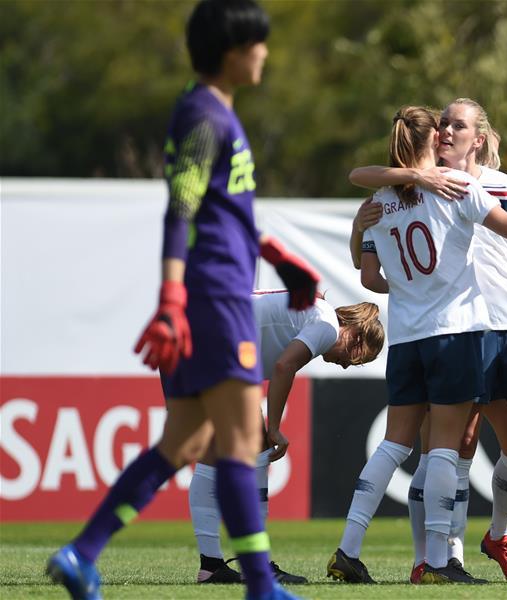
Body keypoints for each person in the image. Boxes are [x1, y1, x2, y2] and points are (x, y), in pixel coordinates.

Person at [46, 3, 318, 599]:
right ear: (231, 51)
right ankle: (260, 586)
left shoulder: (218, 113)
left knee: (186, 444)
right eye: (258, 43)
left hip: (217, 292)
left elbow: (225, 209)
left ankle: (80, 551)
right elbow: (181, 210)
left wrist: (277, 255)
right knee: (242, 444)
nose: (266, 53)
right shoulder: (203, 115)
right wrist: (172, 299)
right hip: (215, 300)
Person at [327, 105, 507, 584]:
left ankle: (348, 548)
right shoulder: (455, 186)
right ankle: (442, 562)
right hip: (454, 333)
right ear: (433, 144)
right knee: (448, 449)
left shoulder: (379, 201)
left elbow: (369, 274)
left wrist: (365, 234)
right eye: (441, 128)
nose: (447, 134)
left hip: (407, 339)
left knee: (395, 447)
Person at [189, 292, 384, 584]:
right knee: (258, 448)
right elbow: (284, 367)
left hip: (198, 334)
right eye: (356, 358)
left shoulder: (317, 316)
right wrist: (274, 427)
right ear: (356, 336)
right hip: (216, 342)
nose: (345, 365)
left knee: (212, 458)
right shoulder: (327, 326)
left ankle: (212, 565)